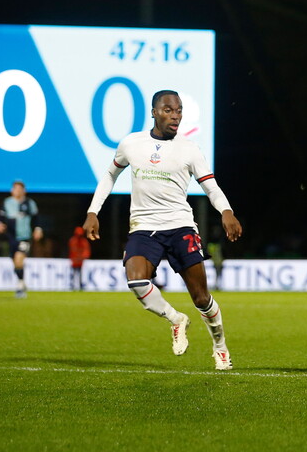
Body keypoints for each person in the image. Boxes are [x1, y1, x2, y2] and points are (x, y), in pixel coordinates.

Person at [83, 89, 243, 370]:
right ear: (154, 112)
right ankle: (175, 319)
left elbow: (210, 186)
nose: (175, 115)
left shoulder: (190, 149)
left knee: (201, 298)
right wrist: (93, 211)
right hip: (143, 228)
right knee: (135, 280)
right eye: (168, 110)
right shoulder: (131, 144)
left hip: (180, 226)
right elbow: (110, 174)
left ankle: (220, 347)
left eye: (179, 110)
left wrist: (226, 211)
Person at [0, 180, 43, 298]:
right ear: (12, 190)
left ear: (24, 191)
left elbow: (36, 218)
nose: (17, 191)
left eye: (19, 189)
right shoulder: (7, 202)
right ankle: (21, 281)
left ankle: (20, 286)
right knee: (15, 262)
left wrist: (38, 229)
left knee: (18, 259)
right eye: (15, 188)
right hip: (11, 237)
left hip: (24, 237)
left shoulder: (29, 203)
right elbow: (1, 217)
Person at [68, 226, 91, 291]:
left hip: (80, 261)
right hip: (74, 261)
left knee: (81, 274)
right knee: (73, 274)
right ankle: (72, 285)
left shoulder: (84, 241)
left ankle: (80, 286)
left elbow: (86, 251)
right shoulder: (73, 241)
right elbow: (72, 250)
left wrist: (82, 257)